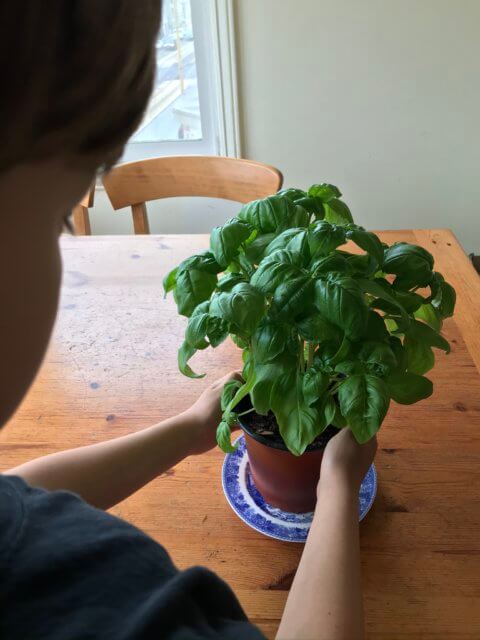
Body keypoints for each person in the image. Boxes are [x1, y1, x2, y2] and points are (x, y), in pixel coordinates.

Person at [0, 2, 376, 639]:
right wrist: (336, 485)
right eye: (62, 216)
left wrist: (187, 431)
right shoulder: (115, 608)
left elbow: (15, 501)